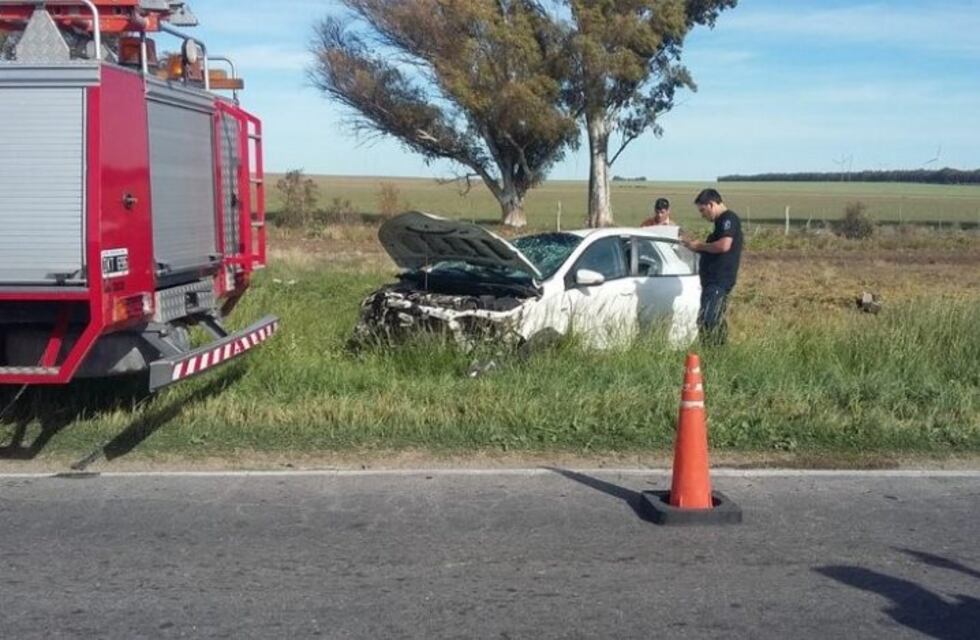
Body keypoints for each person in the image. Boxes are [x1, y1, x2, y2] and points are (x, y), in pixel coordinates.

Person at [680, 188, 743, 345]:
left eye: (703, 210)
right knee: (714, 319)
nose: (702, 215)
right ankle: (719, 358)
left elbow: (723, 246)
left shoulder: (728, 219)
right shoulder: (720, 223)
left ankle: (713, 356)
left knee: (708, 320)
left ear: (711, 204)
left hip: (718, 281)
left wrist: (700, 246)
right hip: (712, 282)